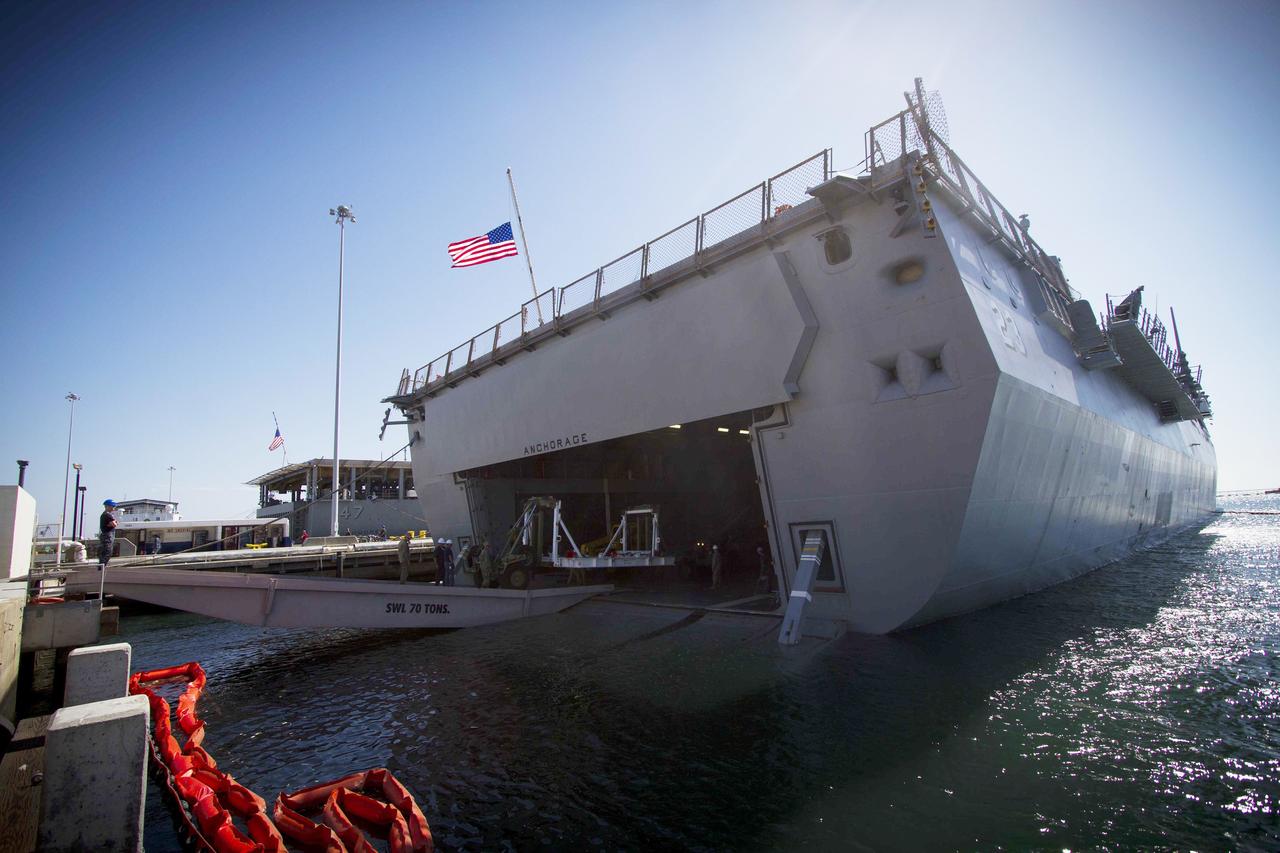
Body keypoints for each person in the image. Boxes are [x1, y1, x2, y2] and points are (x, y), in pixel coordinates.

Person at [98, 499, 118, 569]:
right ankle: (102, 567)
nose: (114, 508)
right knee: (107, 552)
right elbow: (114, 524)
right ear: (108, 506)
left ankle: (101, 567)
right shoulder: (108, 515)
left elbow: (111, 524)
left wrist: (112, 524)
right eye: (113, 506)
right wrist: (114, 523)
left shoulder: (104, 515)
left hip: (105, 535)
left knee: (104, 551)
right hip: (107, 535)